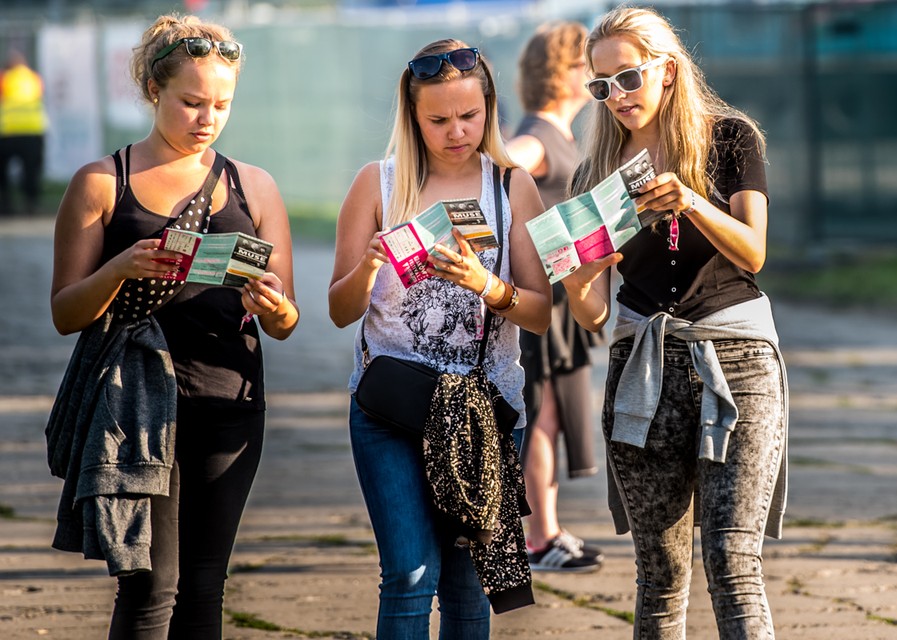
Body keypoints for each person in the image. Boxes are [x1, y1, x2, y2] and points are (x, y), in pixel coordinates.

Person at [48, 14, 299, 639]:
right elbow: (64, 312)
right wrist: (121, 268)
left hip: (229, 402)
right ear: (154, 90)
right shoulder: (104, 183)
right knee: (148, 589)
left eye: (221, 104)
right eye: (191, 102)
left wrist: (273, 308)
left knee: (205, 587)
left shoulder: (255, 186)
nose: (206, 118)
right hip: (133, 406)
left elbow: (289, 320)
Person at [562, 7, 789, 638]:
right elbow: (596, 312)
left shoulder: (728, 137)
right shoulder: (595, 175)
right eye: (602, 86)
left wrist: (690, 200)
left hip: (735, 357)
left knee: (731, 558)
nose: (618, 97)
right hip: (642, 365)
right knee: (658, 570)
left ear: (667, 68)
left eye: (628, 78)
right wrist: (580, 280)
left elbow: (753, 252)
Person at [329, 39, 551, 638]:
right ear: (412, 116)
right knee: (408, 576)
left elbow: (540, 314)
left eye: (470, 115)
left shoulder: (510, 187)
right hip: (392, 409)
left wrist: (487, 285)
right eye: (439, 120)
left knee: (467, 584)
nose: (457, 131)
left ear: (490, 107)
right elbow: (339, 309)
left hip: (484, 408)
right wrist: (369, 267)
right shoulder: (377, 184)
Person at [505, 20, 604, 573]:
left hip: (568, 299)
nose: (593, 75)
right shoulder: (538, 136)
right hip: (540, 300)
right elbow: (500, 165)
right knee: (539, 415)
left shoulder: (564, 135)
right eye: (583, 64)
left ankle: (548, 527)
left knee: (554, 416)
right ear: (561, 73)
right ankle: (539, 538)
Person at [0, 48, 48, 215]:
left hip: (7, 133)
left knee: (2, 172)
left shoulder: (3, 79)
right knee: (31, 171)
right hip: (32, 131)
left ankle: (5, 204)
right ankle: (31, 204)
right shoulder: (34, 79)